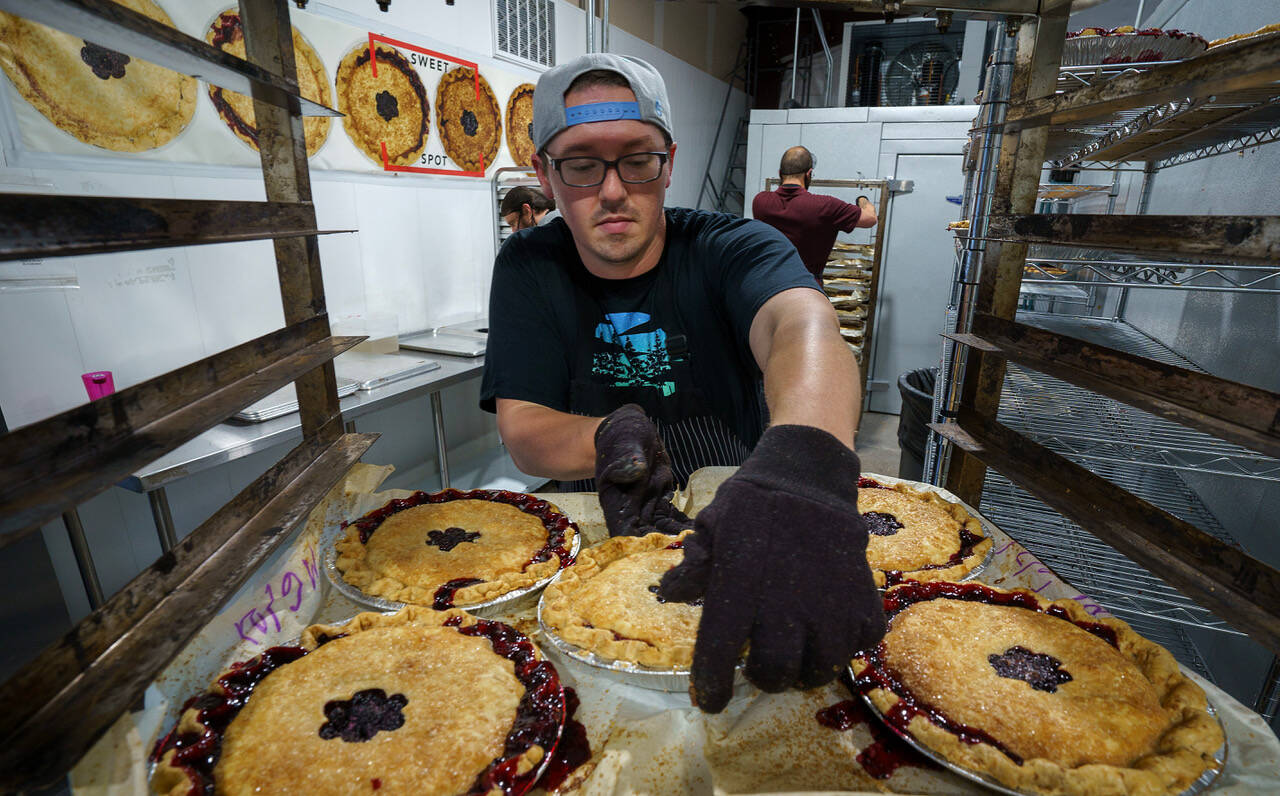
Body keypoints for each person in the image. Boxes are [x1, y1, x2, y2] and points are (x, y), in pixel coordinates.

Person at [480, 53, 884, 713]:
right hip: (599, 526)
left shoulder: (731, 248)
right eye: (581, 164)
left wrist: (805, 463)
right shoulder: (529, 266)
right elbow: (524, 429)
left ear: (669, 163)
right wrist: (611, 436)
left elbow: (802, 326)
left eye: (637, 159)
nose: (613, 190)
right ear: (544, 177)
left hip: (750, 517)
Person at [751, 146, 878, 283]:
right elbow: (870, 219)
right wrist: (863, 200)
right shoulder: (825, 206)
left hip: (767, 285)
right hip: (806, 288)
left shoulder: (760, 201)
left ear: (780, 173)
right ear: (809, 173)